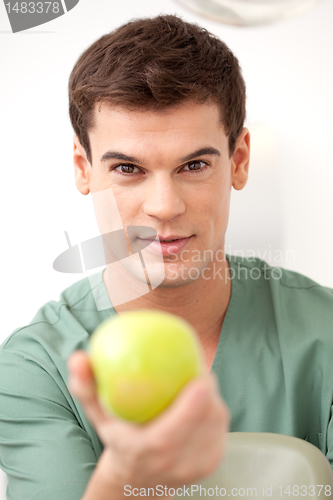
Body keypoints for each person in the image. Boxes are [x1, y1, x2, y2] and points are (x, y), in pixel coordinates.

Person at [1, 13, 333, 500]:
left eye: (194, 165)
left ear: (239, 161)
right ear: (83, 168)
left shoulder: (325, 333)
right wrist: (120, 479)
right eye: (129, 168)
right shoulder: (35, 372)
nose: (164, 206)